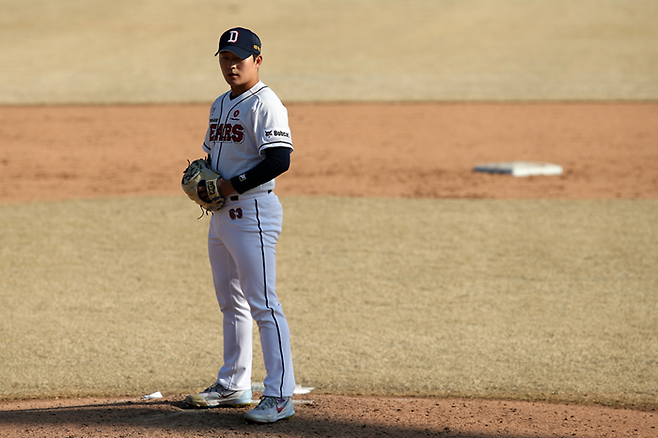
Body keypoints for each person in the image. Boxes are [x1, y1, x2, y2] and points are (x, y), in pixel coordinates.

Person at [184, 27, 296, 424]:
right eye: (225, 58)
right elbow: (214, 159)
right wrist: (207, 182)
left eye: (239, 58)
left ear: (257, 61)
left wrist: (229, 184)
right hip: (221, 216)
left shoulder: (266, 104)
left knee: (263, 303)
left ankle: (281, 395)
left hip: (253, 213)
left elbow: (278, 159)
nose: (231, 65)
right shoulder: (219, 104)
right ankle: (234, 383)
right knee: (231, 302)